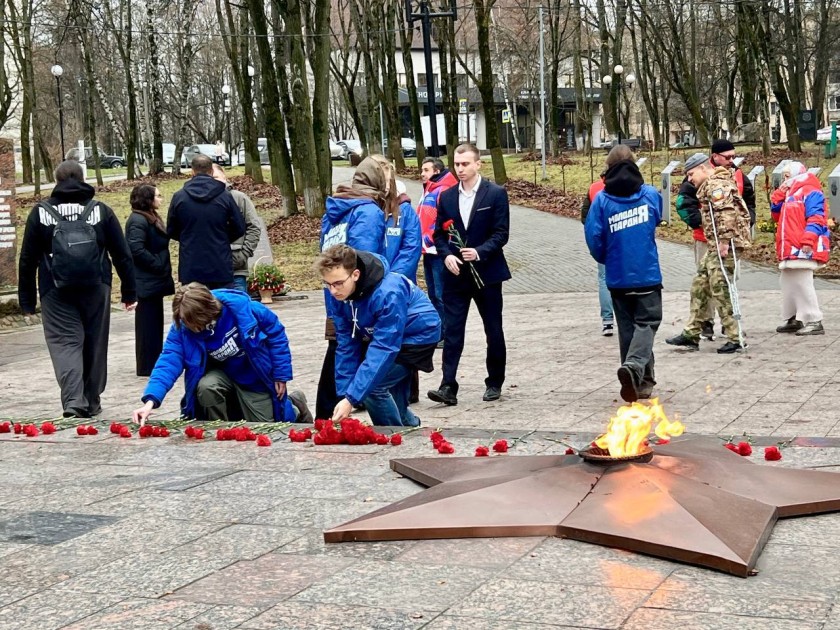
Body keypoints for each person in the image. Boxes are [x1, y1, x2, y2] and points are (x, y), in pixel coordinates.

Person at [18, 160, 137, 418]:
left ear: (56, 181)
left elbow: (27, 259)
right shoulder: (100, 210)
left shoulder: (40, 213)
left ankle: (74, 400)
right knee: (95, 341)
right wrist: (129, 293)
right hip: (96, 287)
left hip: (54, 290)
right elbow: (122, 254)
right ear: (83, 178)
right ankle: (92, 400)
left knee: (64, 342)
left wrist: (27, 301)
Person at [132, 283, 312, 424]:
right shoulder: (183, 327)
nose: (189, 327)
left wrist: (281, 374)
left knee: (265, 426)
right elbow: (169, 361)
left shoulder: (244, 310)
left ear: (205, 314)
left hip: (254, 376)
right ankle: (221, 427)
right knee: (206, 387)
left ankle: (296, 405)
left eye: (192, 323)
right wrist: (150, 402)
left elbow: (277, 334)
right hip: (220, 375)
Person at [316, 245, 440, 427]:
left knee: (373, 389)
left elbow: (384, 348)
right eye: (328, 284)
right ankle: (411, 428)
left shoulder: (388, 292)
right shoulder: (338, 296)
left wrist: (352, 398)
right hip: (383, 335)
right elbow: (346, 345)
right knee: (394, 403)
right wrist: (344, 395)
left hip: (418, 335)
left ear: (356, 275)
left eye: (338, 283)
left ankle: (391, 439)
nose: (333, 291)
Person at [427, 143, 511, 406]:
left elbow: (501, 233)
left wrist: (480, 251)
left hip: (487, 273)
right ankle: (448, 385)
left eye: (465, 164)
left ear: (478, 164)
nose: (460, 169)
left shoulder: (495, 194)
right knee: (452, 330)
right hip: (455, 274)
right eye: (457, 164)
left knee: (493, 329)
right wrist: (446, 255)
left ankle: (494, 382)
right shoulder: (448, 196)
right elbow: (439, 233)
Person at [584, 145, 663, 402]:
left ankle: (641, 383)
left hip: (617, 276)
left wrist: (607, 258)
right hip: (647, 273)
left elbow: (593, 237)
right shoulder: (650, 194)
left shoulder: (602, 201)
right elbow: (656, 220)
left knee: (628, 329)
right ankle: (634, 369)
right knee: (648, 323)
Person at [315, 157, 390, 419]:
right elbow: (365, 261)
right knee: (362, 357)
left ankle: (328, 415)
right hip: (355, 296)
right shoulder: (368, 211)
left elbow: (324, 253)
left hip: (335, 292)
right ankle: (335, 415)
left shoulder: (335, 211)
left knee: (339, 349)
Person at [666, 154, 752, 354]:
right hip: (716, 244)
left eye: (691, 174)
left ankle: (735, 335)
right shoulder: (711, 184)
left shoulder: (716, 185)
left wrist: (723, 241)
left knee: (720, 287)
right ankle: (692, 333)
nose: (689, 179)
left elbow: (726, 213)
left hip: (726, 244)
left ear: (703, 168)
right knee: (700, 284)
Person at [167, 154, 246, 289]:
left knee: (194, 305)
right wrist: (222, 237)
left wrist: (188, 237)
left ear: (192, 171)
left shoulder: (179, 197)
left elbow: (171, 229)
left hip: (191, 262)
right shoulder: (225, 196)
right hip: (219, 261)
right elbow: (239, 227)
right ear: (211, 171)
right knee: (222, 304)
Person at [770, 161, 830, 335]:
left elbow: (817, 218)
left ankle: (814, 319)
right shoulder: (791, 192)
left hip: (801, 245)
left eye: (787, 176)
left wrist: (808, 240)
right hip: (791, 246)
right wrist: (778, 195)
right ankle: (794, 317)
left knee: (802, 282)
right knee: (788, 281)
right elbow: (777, 215)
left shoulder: (811, 191)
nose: (784, 179)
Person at [125, 184, 175, 377]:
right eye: (157, 196)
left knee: (154, 322)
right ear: (148, 199)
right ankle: (147, 364)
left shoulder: (149, 217)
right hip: (146, 279)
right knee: (147, 324)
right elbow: (135, 249)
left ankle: (153, 360)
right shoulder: (138, 220)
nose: (161, 199)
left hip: (154, 279)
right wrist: (157, 264)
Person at [418, 157, 458, 345]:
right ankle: (439, 331)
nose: (422, 173)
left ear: (436, 171)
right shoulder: (429, 190)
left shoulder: (443, 190)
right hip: (428, 249)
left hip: (439, 250)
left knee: (441, 294)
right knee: (433, 293)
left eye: (426, 170)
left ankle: (448, 333)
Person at [370, 155, 422, 283]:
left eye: (388, 181)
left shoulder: (405, 211)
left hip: (398, 283)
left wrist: (392, 279)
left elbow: (411, 248)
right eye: (382, 180)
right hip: (369, 284)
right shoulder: (363, 210)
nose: (386, 186)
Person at [211, 164, 262, 293]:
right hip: (208, 270)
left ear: (224, 176)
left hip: (235, 269)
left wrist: (243, 254)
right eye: (210, 178)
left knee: (239, 310)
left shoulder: (239, 198)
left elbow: (254, 226)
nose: (213, 181)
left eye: (216, 177)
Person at [580, 169, 614, 336]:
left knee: (603, 279)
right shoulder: (629, 186)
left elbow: (585, 217)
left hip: (603, 241)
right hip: (621, 240)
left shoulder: (594, 189)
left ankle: (607, 320)